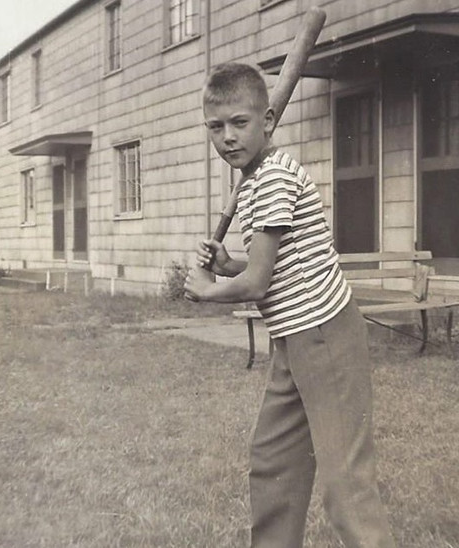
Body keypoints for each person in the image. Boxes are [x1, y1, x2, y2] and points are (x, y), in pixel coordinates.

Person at [184, 62, 396, 548]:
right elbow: (272, 269)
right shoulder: (255, 181)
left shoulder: (275, 177)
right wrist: (227, 264)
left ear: (269, 121)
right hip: (292, 338)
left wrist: (206, 290)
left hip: (325, 334)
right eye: (216, 127)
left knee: (345, 484)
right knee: (273, 461)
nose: (228, 137)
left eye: (240, 123)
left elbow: (258, 285)